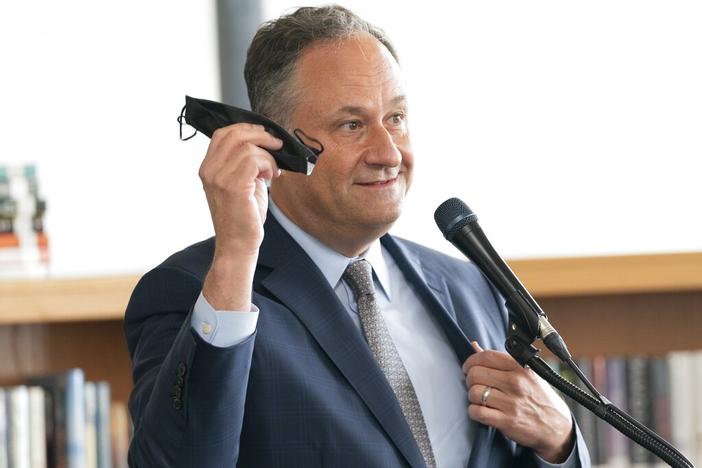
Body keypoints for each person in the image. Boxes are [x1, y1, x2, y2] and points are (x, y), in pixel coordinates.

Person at [124, 5, 590, 467]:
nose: (388, 152)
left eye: (396, 118)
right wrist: (236, 255)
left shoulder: (471, 288)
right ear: (275, 143)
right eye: (352, 125)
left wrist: (559, 442)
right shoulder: (193, 291)